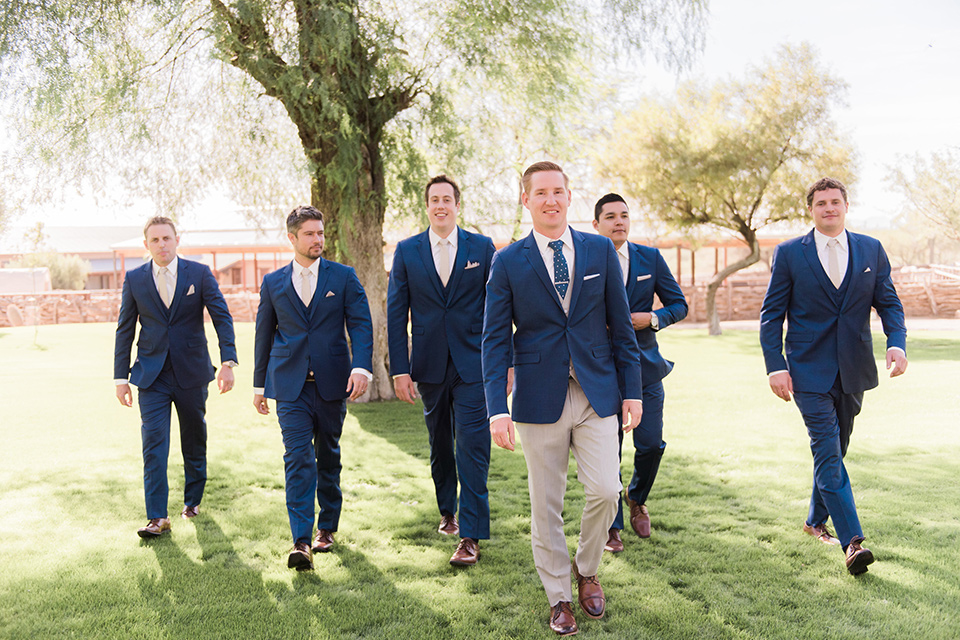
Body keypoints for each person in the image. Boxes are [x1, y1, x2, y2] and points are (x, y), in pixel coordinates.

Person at [482, 162, 643, 635]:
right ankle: (559, 597)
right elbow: (493, 340)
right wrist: (496, 408)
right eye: (540, 193)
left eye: (558, 191)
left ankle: (587, 568)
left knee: (606, 491)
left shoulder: (598, 250)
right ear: (525, 200)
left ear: (570, 197)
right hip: (537, 397)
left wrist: (631, 391)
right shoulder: (508, 261)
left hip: (597, 392)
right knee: (545, 504)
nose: (550, 200)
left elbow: (619, 326)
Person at [760, 177, 907, 576]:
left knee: (835, 451)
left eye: (835, 202)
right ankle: (853, 542)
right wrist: (776, 365)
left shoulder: (870, 249)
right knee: (827, 449)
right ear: (811, 209)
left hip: (854, 369)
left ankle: (813, 521)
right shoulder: (790, 253)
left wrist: (897, 342)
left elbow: (889, 303)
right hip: (807, 371)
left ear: (846, 205)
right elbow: (772, 314)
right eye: (821, 203)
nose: (828, 208)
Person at [253, 205, 373, 572]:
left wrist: (362, 367)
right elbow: (263, 335)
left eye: (321, 233)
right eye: (309, 234)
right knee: (297, 458)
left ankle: (327, 527)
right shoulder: (273, 283)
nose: (318, 239)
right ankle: (301, 540)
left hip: (332, 384)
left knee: (328, 455)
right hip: (289, 387)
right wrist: (259, 385)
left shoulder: (343, 277)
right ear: (292, 238)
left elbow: (362, 325)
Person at [387, 175, 499, 566]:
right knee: (439, 444)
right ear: (427, 206)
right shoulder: (406, 251)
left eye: (447, 199)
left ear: (457, 205)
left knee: (473, 446)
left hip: (475, 364)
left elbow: (500, 308)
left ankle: (470, 536)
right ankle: (447, 511)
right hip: (430, 366)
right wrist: (399, 370)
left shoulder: (482, 248)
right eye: (434, 199)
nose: (440, 205)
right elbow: (396, 312)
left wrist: (506, 362)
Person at [114, 216, 237, 538]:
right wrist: (119, 378)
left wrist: (228, 361)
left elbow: (222, 317)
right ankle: (157, 517)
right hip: (151, 376)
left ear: (176, 239)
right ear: (147, 245)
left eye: (166, 238)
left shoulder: (198, 273)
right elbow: (125, 329)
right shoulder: (135, 279)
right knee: (153, 444)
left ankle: (192, 500)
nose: (162, 245)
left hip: (192, 373)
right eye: (155, 240)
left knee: (193, 439)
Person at [592, 193, 688, 551]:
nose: (619, 222)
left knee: (650, 444)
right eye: (611, 217)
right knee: (608, 451)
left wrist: (653, 318)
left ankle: (638, 498)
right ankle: (611, 525)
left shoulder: (651, 258)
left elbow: (679, 304)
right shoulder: (587, 259)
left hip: (646, 368)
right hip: (602, 370)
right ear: (596, 224)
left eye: (624, 216)